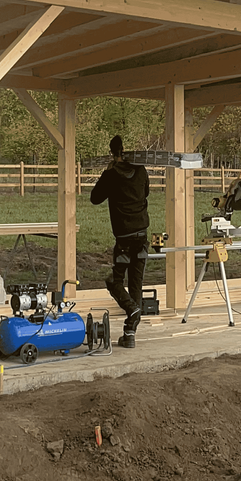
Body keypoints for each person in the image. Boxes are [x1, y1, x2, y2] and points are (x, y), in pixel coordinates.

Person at [89, 134, 151, 347]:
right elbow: (146, 192)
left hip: (124, 238)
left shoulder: (111, 176)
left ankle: (131, 309)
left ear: (113, 154)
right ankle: (131, 331)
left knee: (114, 281)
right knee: (136, 284)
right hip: (142, 236)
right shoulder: (142, 171)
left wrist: (106, 173)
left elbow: (95, 198)